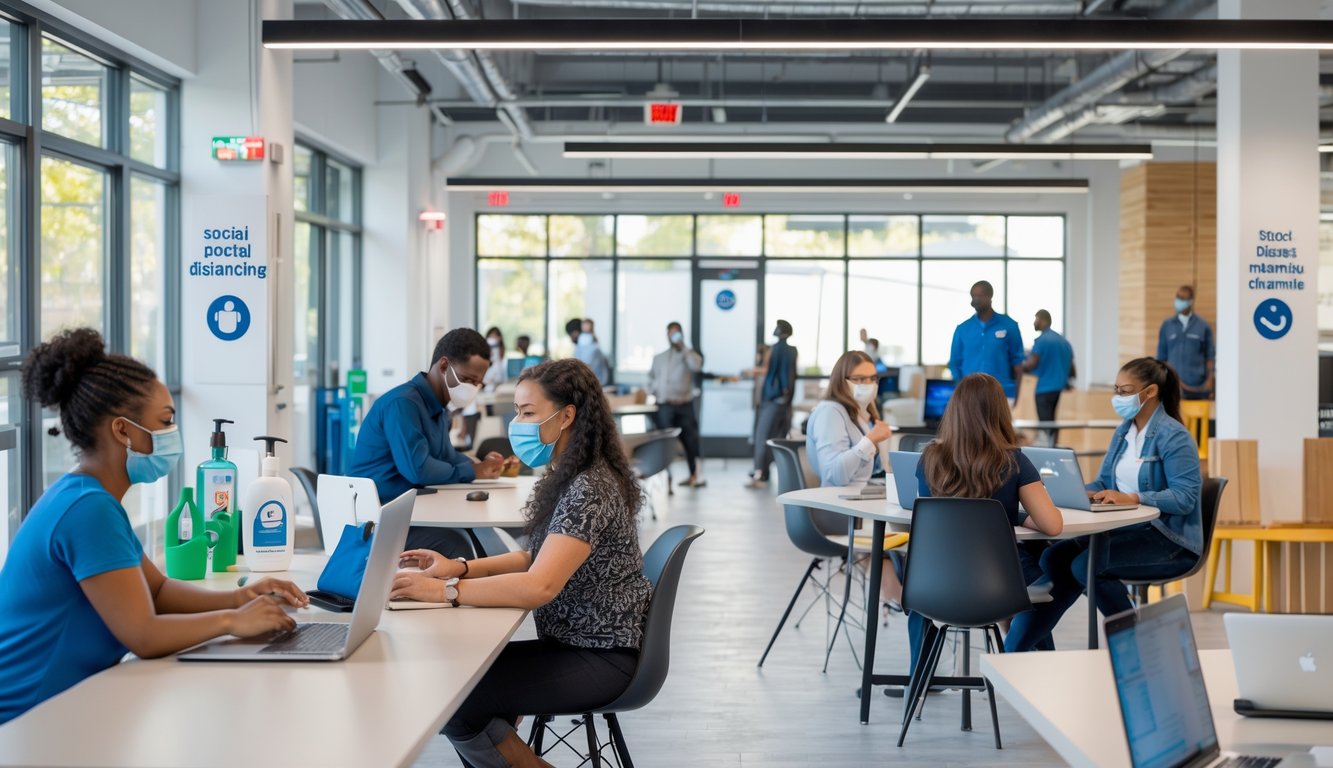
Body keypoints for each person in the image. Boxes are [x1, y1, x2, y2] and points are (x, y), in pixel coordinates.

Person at [0, 329, 307, 725]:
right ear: (122, 430)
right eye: (164, 422)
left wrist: (240, 598)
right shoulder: (87, 509)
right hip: (28, 722)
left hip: (66, 707)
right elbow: (143, 635)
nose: (171, 434)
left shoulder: (88, 497)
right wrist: (232, 621)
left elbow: (157, 591)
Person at [390, 359, 652, 768]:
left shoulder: (589, 488)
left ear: (566, 416)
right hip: (579, 645)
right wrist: (458, 568)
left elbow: (538, 586)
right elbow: (537, 556)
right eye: (517, 411)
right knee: (460, 680)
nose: (517, 423)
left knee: (455, 697)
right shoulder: (572, 475)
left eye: (528, 413)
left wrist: (442, 591)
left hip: (600, 657)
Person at [1005, 358, 1203, 653]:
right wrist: (1079, 492)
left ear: (1150, 392)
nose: (1118, 397)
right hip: (1131, 530)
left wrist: (1135, 497)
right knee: (1053, 558)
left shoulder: (1174, 436)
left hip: (1169, 539)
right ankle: (1019, 651)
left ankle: (1137, 646)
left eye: (1125, 391)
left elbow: (1185, 498)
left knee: (1086, 566)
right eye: (1116, 389)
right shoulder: (1124, 431)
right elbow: (1104, 481)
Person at [907, 373, 1064, 671]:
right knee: (1048, 570)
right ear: (1000, 412)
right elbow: (1053, 525)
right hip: (998, 584)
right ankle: (1034, 673)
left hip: (934, 581)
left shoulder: (929, 459)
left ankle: (921, 679)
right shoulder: (1013, 461)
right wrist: (1018, 515)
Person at [349, 327, 512, 556]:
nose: (472, 389)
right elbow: (419, 470)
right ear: (444, 366)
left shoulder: (439, 410)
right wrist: (474, 471)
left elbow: (446, 457)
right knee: (459, 545)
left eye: (478, 383)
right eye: (467, 379)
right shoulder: (403, 404)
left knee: (481, 535)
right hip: (378, 522)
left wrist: (480, 464)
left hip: (411, 512)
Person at [805, 350, 901, 610]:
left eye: (872, 378)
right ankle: (902, 599)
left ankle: (905, 599)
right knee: (903, 531)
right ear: (842, 379)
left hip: (860, 501)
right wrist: (870, 440)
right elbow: (835, 475)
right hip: (837, 510)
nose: (867, 385)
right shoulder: (830, 412)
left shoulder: (860, 413)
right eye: (858, 379)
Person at [648, 322, 705, 488]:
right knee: (665, 443)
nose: (674, 336)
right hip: (665, 406)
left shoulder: (689, 355)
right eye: (671, 333)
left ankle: (695, 476)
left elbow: (697, 366)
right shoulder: (659, 357)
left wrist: (684, 348)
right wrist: (655, 389)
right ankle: (666, 479)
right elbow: (651, 378)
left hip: (684, 405)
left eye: (677, 333)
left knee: (690, 441)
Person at [948, 281, 1024, 405]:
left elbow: (1018, 363)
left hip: (1003, 394)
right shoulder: (962, 329)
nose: (975, 300)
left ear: (990, 296)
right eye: (973, 296)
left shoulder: (1009, 325)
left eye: (979, 295)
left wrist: (1017, 395)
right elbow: (954, 364)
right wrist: (961, 392)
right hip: (971, 397)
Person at [747, 320, 797, 489]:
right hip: (783, 401)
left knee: (762, 437)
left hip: (773, 400)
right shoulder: (791, 351)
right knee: (775, 437)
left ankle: (759, 474)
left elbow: (775, 372)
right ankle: (766, 473)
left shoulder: (776, 349)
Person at [1022, 310, 1076, 446]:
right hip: (1059, 389)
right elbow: (1073, 370)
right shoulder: (1064, 342)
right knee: (1052, 423)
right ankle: (1053, 448)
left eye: (1036, 319)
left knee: (1045, 425)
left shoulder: (1042, 340)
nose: (1034, 323)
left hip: (1044, 389)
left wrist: (1017, 367)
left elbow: (1031, 364)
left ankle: (1047, 451)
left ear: (1043, 320)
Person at [1156, 285, 1215, 400]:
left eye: (1183, 298)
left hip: (1197, 389)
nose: (1179, 301)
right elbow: (1161, 358)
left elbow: (1210, 356)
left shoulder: (1203, 326)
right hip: (1173, 388)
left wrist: (1209, 381)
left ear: (1191, 301)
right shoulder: (1167, 326)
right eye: (1178, 297)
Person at [567, 318, 611, 387]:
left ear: (576, 332)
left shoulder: (589, 346)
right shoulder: (589, 344)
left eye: (571, 335)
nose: (570, 339)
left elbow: (584, 364)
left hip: (596, 383)